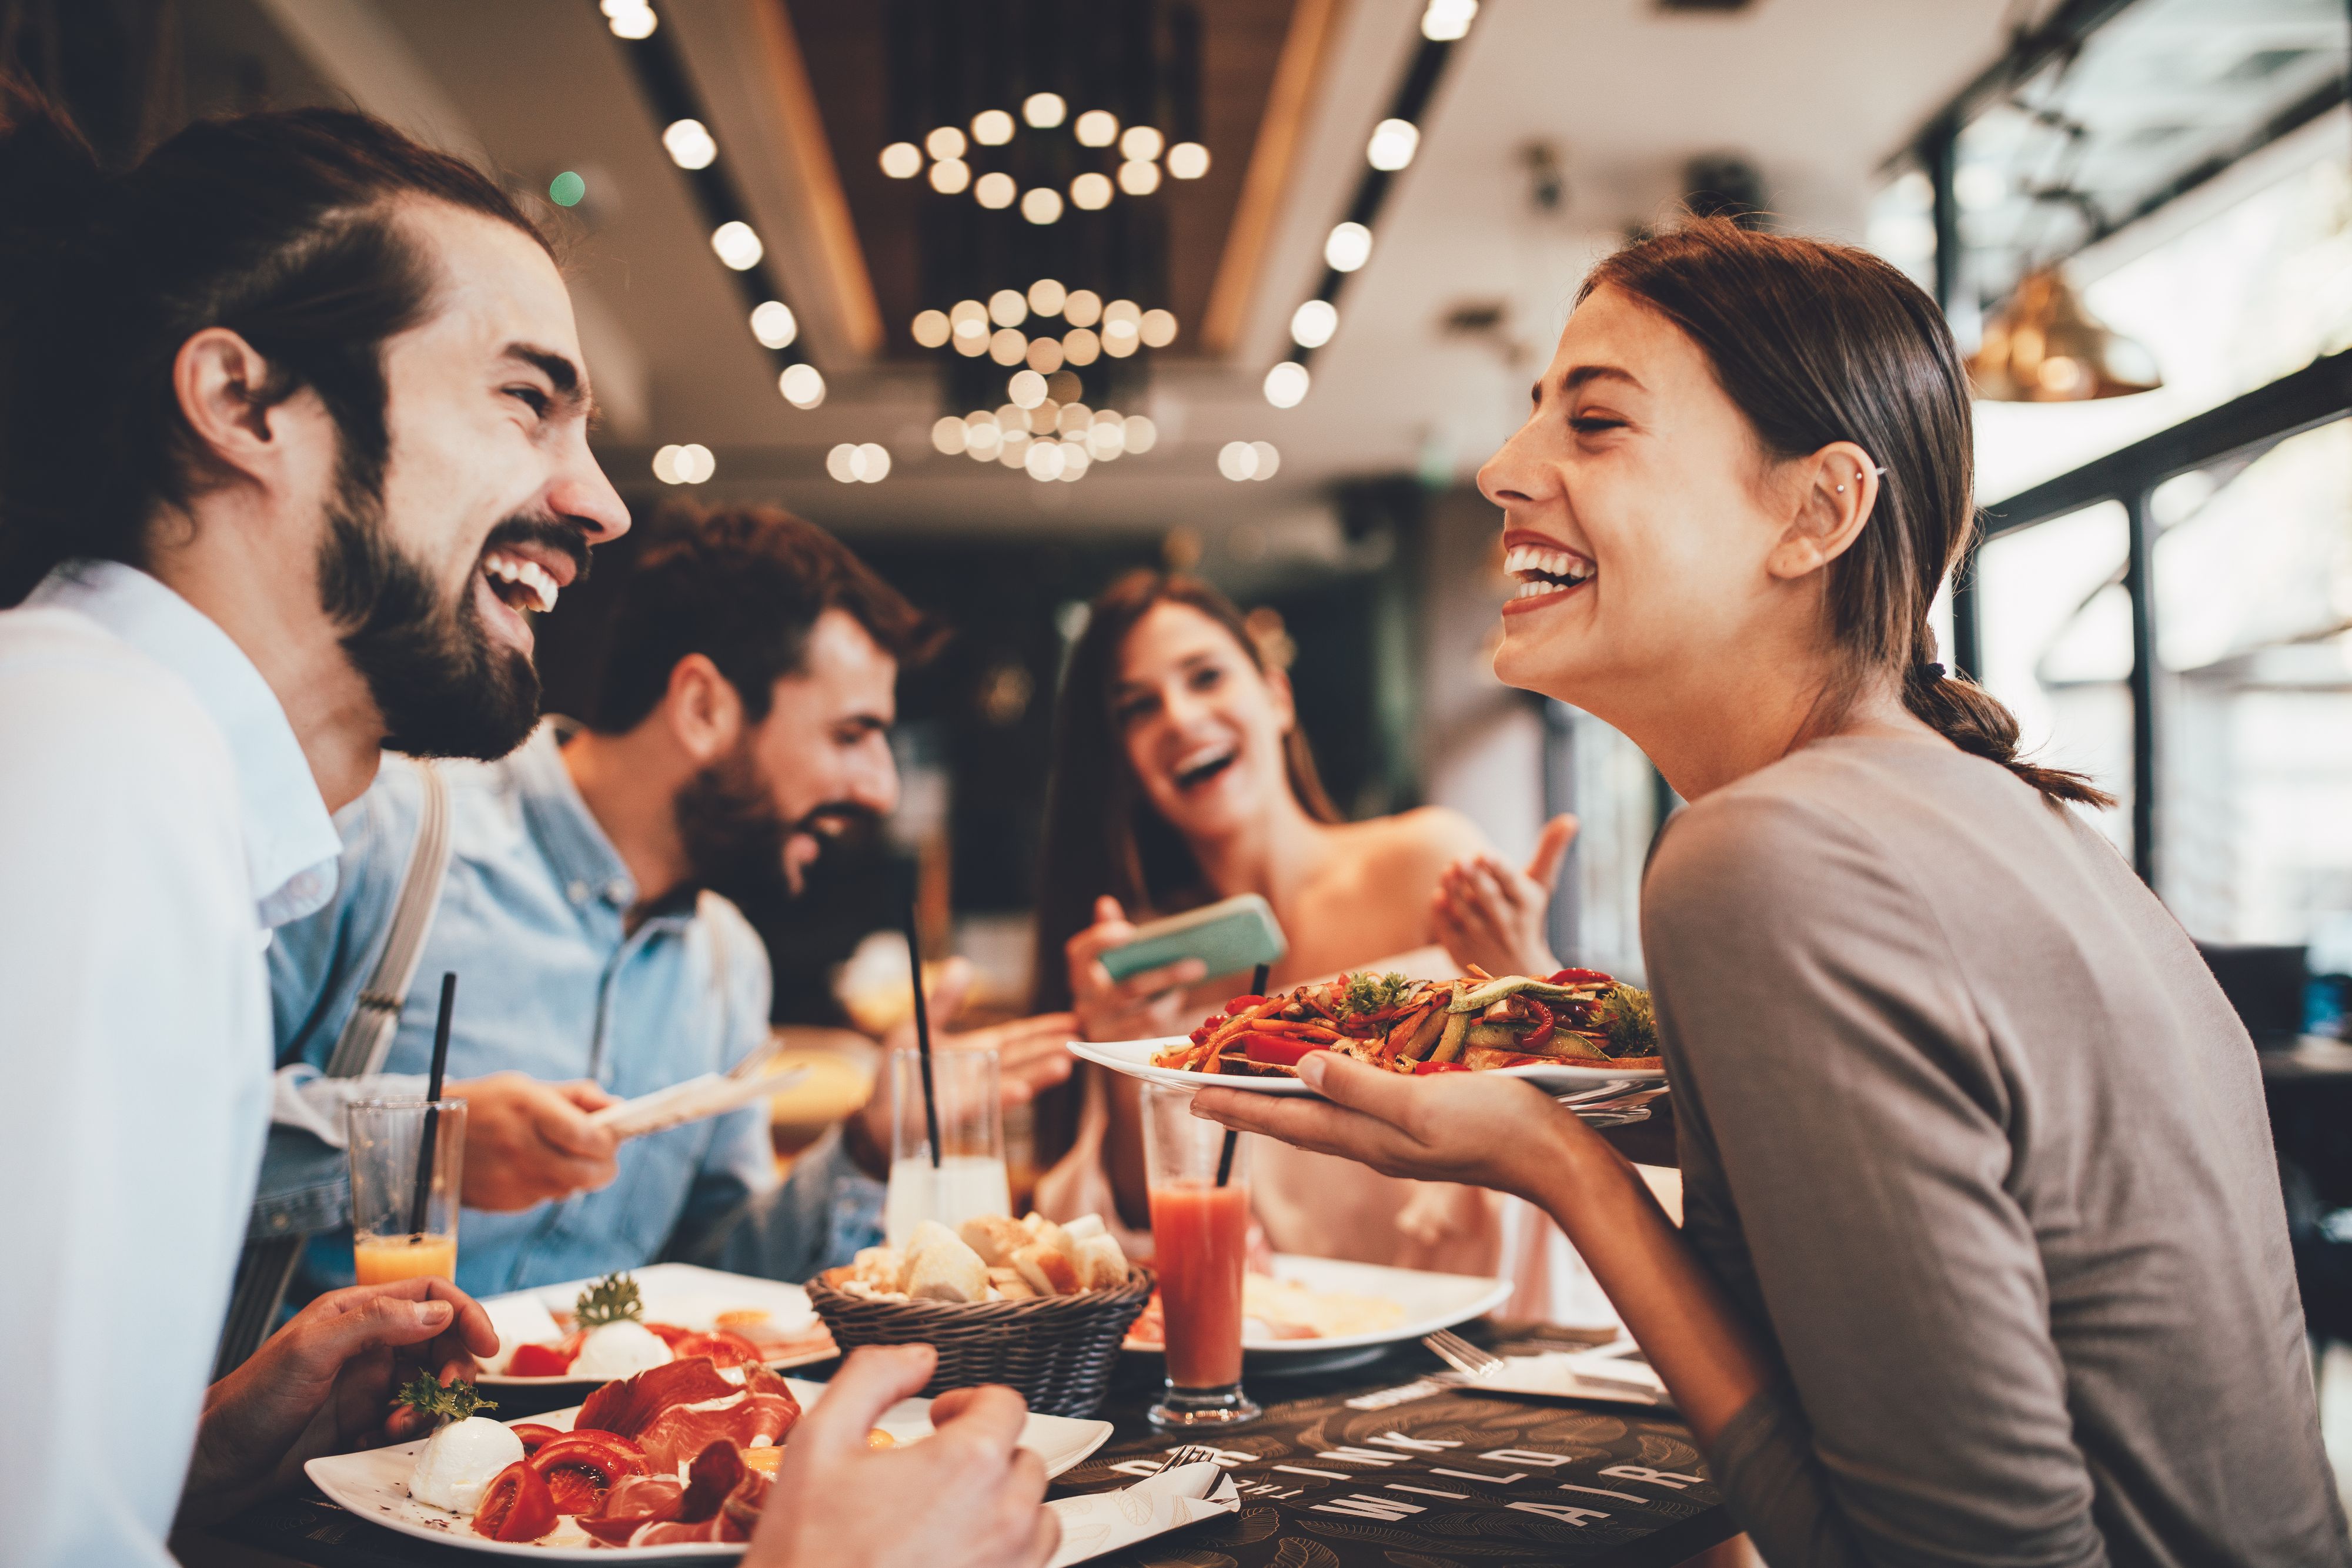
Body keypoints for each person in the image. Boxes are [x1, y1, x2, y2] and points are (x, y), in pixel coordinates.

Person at [1192, 218, 2347, 1564]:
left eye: (1598, 424)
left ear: (1815, 513)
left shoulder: (1763, 850)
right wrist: (1557, 1039)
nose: (1505, 474)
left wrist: (1554, 1161)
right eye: (1529, 424)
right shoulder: (2004, 815)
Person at [0, 92, 1052, 1567]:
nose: (602, 506)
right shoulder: (95, 767)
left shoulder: (124, 756)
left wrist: (193, 1466)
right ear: (245, 405)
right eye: (522, 400)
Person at [264, 503, 1074, 1301]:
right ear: (703, 706)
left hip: (592, 1433)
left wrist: (868, 1144)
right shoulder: (382, 832)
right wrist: (424, 1146)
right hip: (331, 1431)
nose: (881, 786)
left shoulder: (727, 962)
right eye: (850, 734)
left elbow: (719, 1277)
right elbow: (164, 1128)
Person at [1030, 571, 1573, 1283]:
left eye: (1205, 677)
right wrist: (1109, 1053)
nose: (1179, 718)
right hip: (1272, 1351)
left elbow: (1566, 1123)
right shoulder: (1152, 967)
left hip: (1477, 1317)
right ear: (1123, 763)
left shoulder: (1425, 865)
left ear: (1276, 697)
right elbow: (1146, 1218)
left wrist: (1530, 970)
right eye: (1137, 708)